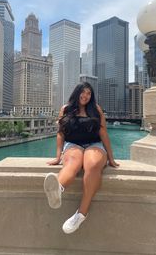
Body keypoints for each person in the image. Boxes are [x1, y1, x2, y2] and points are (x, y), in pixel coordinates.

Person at [44, 82, 119, 234]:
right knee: (73, 162)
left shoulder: (95, 109)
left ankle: (81, 214)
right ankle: (58, 188)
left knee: (91, 165)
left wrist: (111, 158)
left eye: (89, 93)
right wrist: (58, 156)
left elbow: (103, 133)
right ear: (77, 93)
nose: (85, 96)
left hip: (95, 144)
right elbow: (61, 133)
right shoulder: (65, 109)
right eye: (83, 92)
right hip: (72, 144)